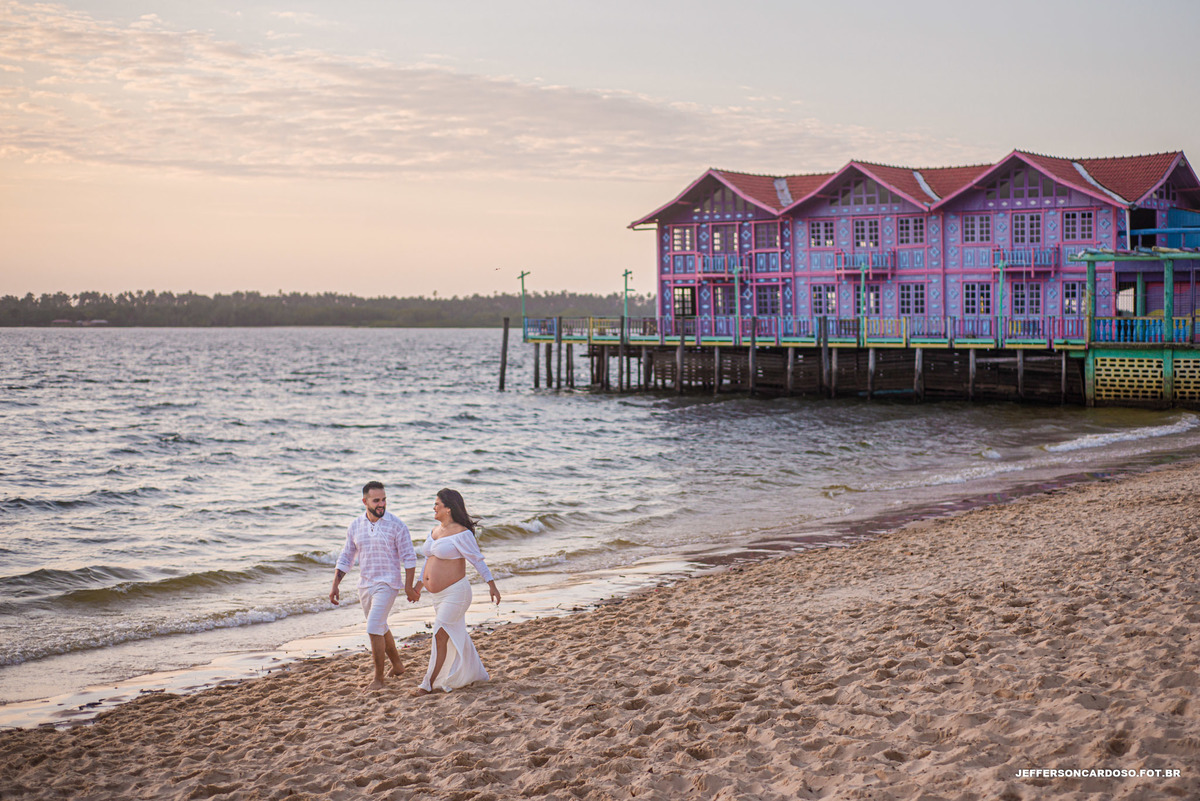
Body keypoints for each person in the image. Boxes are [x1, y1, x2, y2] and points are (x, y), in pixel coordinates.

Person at [329, 481, 419, 690]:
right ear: (365, 501)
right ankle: (397, 666)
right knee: (380, 626)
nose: (381, 504)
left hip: (388, 583)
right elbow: (346, 557)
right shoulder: (355, 526)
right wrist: (335, 584)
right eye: (376, 500)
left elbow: (409, 557)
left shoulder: (397, 525)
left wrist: (408, 586)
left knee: (373, 627)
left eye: (384, 499)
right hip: (365, 585)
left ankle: (378, 679)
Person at [412, 488, 501, 696]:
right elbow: (427, 560)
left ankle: (427, 684)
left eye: (437, 504)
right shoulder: (434, 530)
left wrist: (492, 585)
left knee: (440, 634)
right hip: (437, 596)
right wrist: (418, 585)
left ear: (448, 508)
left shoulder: (462, 533)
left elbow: (477, 560)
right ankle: (476, 674)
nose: (433, 507)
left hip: (456, 594)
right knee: (455, 634)